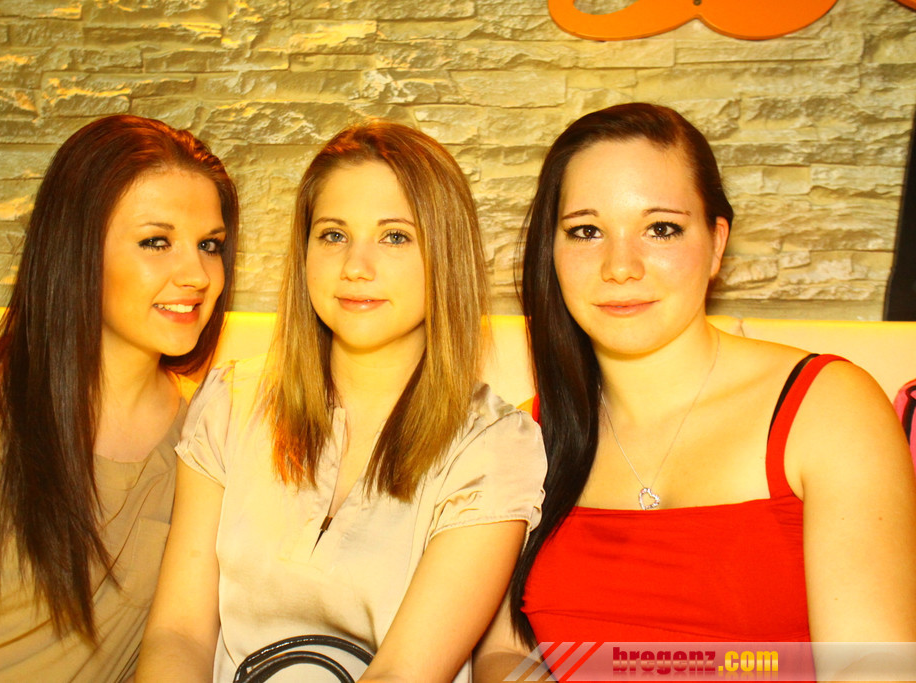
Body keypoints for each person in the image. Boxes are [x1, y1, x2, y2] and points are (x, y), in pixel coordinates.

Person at [474, 103, 916, 681]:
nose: (620, 266)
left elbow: (872, 667)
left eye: (661, 228)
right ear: (550, 253)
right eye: (586, 231)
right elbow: (502, 651)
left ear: (716, 243)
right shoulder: (523, 437)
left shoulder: (829, 407)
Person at [138, 119, 547, 682]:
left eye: (395, 237)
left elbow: (403, 674)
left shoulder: (493, 446)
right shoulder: (231, 402)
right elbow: (178, 634)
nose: (356, 266)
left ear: (445, 254)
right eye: (333, 235)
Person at [0, 114, 238, 681]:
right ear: (77, 249)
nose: (197, 274)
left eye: (209, 245)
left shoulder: (207, 439)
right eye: (156, 242)